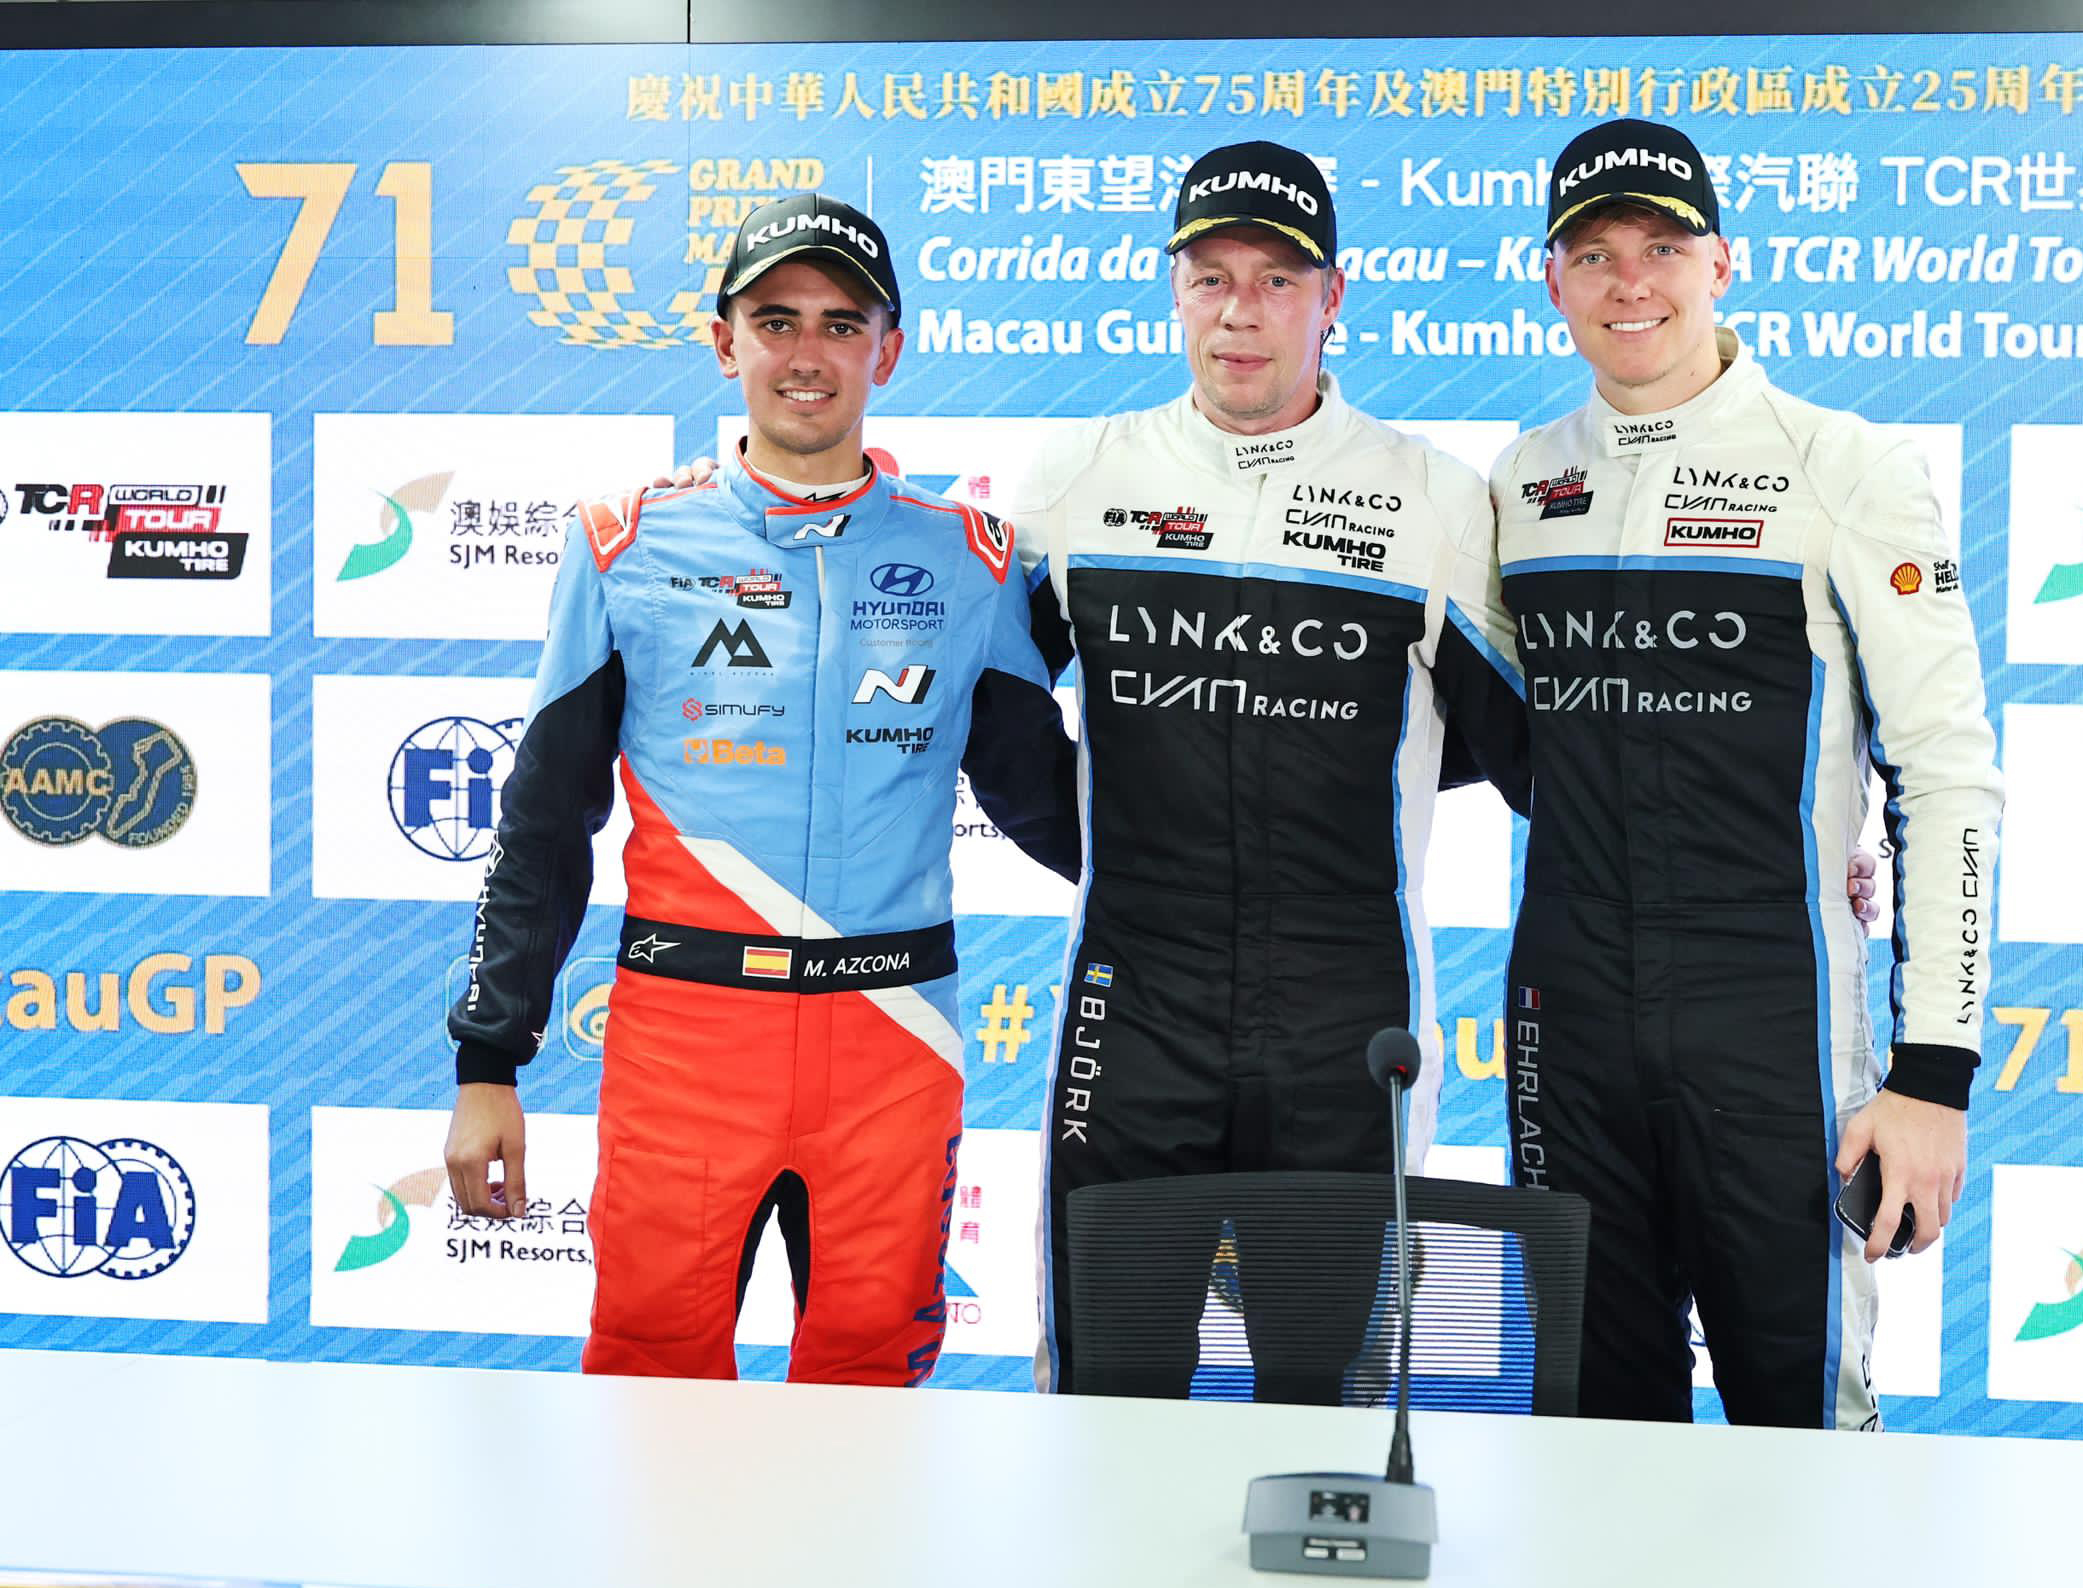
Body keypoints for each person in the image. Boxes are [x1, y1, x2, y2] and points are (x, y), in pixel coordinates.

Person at [444, 193, 1078, 1385]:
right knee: (650, 1382)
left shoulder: (973, 558)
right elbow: (545, 821)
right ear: (723, 342)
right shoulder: (623, 543)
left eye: (842, 323)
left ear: (889, 350)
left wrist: (1222, 886)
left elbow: (1048, 805)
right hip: (687, 1035)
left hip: (894, 1031)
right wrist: (489, 1059)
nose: (807, 354)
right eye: (775, 320)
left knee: (871, 1389)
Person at [1492, 120, 2004, 1429]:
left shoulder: (1844, 465)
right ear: (1552, 280)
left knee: (1805, 1430)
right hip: (1567, 1024)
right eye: (1593, 254)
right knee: (1593, 1436)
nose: (1630, 283)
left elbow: (1946, 773)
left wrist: (1933, 1074)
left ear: (1722, 264)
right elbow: (1498, 735)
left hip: (1774, 1021)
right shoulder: (1521, 479)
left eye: (1662, 248)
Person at [1007, 142, 1533, 1402]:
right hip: (1133, 1004)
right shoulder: (1080, 479)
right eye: (1211, 278)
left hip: (1347, 1011)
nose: (1239, 312)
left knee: (1329, 1396)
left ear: (1331, 296)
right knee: (1107, 1389)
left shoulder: (1430, 497)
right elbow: (994, 723)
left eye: (1276, 280)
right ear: (1174, 291)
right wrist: (1124, 856)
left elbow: (1539, 750)